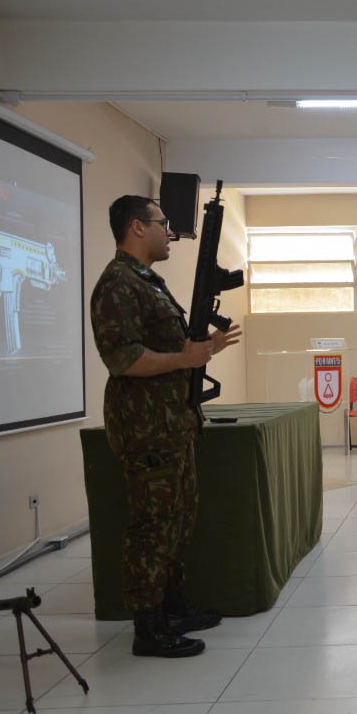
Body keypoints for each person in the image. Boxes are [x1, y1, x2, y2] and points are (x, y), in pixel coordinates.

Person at [90, 195, 242, 658]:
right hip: (146, 427)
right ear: (137, 227)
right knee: (152, 526)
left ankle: (173, 606)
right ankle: (149, 628)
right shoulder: (117, 284)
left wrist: (204, 349)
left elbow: (172, 352)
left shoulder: (146, 282)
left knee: (178, 519)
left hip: (172, 422)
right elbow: (123, 358)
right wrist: (184, 357)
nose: (168, 232)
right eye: (162, 223)